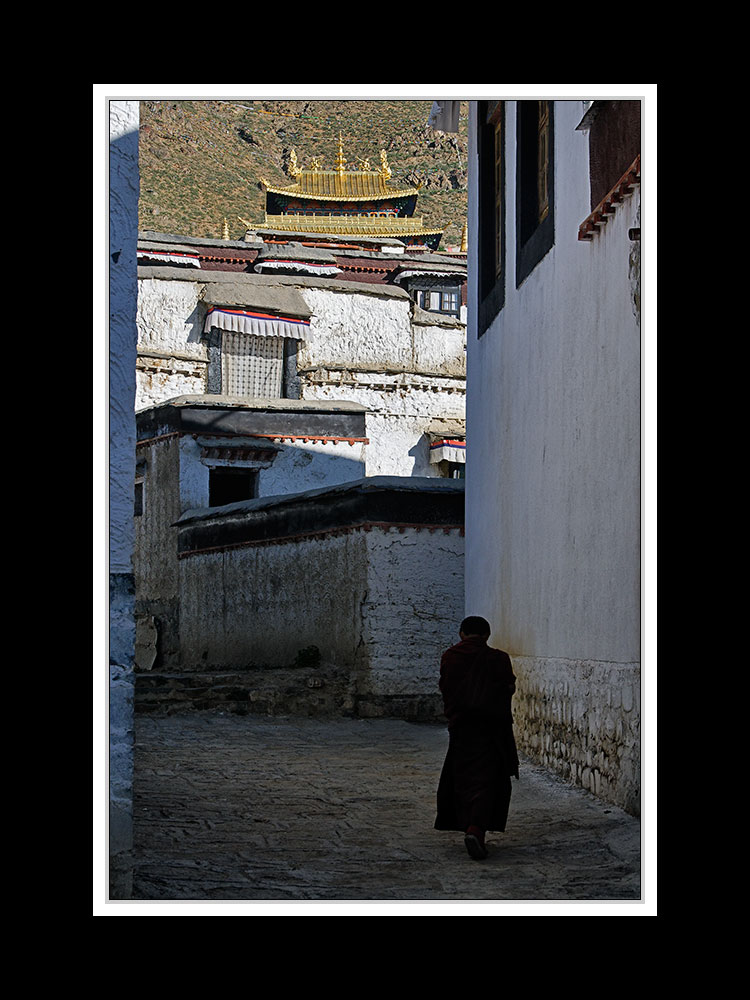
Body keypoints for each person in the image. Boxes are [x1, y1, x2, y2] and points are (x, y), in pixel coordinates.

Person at [434, 616, 519, 860]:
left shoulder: (450, 657)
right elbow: (508, 688)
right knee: (488, 781)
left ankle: (470, 826)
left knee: (463, 780)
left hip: (461, 729)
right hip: (493, 730)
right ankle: (476, 829)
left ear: (461, 634)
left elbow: (447, 688)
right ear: (487, 636)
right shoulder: (498, 658)